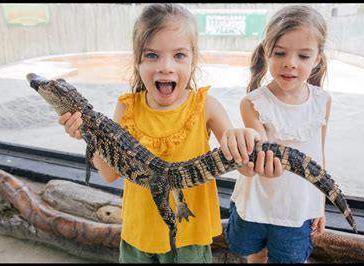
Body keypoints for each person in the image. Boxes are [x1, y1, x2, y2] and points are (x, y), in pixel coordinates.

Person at [57, 3, 260, 264]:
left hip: (187, 240)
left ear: (193, 59)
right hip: (137, 237)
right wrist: (86, 134)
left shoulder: (206, 105)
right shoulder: (126, 108)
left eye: (179, 55)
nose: (166, 66)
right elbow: (108, 173)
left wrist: (245, 140)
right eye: (152, 55)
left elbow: (245, 166)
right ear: (137, 61)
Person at [225, 5, 332, 263]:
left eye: (304, 56)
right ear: (266, 52)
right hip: (258, 201)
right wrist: (250, 164)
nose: (290, 64)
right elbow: (256, 156)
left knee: (290, 257)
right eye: (280, 52)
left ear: (317, 58)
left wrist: (320, 204)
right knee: (255, 254)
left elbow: (320, 157)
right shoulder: (252, 102)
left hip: (296, 206)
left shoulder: (323, 101)